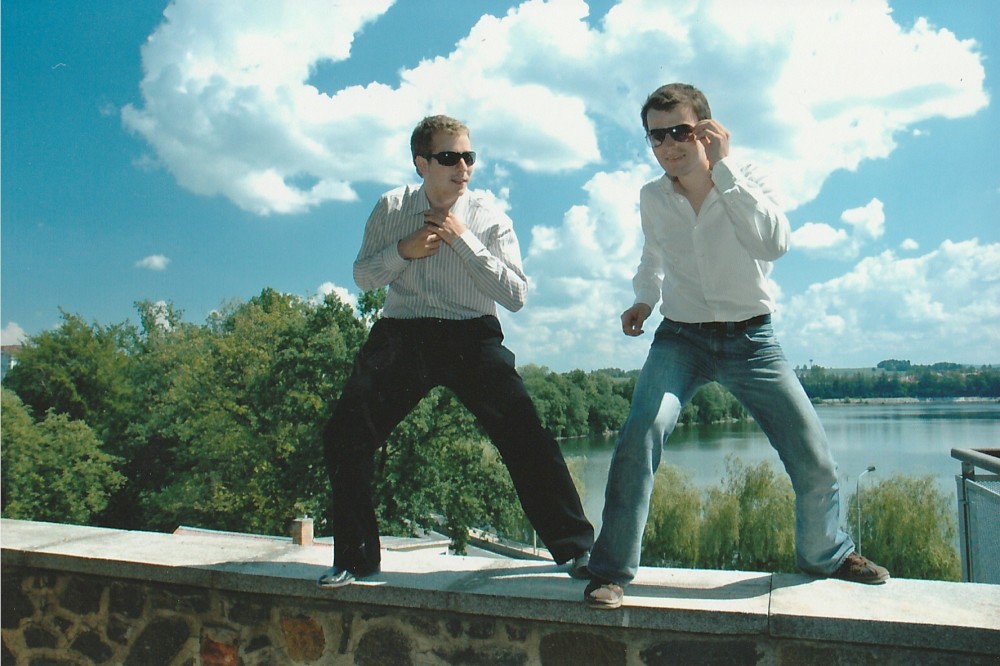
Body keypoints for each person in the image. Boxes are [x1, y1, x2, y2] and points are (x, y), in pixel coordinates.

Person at [584, 84, 890, 609]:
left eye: (679, 131)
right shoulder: (652, 197)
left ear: (706, 130)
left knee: (813, 456)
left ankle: (826, 554)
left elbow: (773, 244)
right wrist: (643, 300)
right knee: (640, 434)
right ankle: (609, 571)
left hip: (752, 340)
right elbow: (652, 257)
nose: (668, 145)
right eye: (656, 136)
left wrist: (724, 172)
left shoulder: (749, 178)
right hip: (681, 337)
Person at [319, 115, 594, 588]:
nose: (463, 167)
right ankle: (356, 559)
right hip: (403, 334)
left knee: (525, 433)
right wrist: (403, 251)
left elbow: (516, 296)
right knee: (345, 432)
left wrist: (462, 240)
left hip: (472, 336)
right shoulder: (391, 206)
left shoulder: (490, 217)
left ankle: (576, 550)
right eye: (449, 157)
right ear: (421, 163)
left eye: (469, 157)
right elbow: (363, 276)